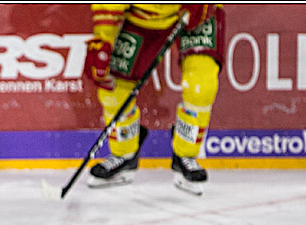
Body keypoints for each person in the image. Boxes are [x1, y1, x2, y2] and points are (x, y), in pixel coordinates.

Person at [85, 4, 225, 195]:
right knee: (113, 89)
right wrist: (103, 40)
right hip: (142, 16)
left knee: (201, 85)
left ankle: (186, 154)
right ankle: (124, 153)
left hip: (196, 10)